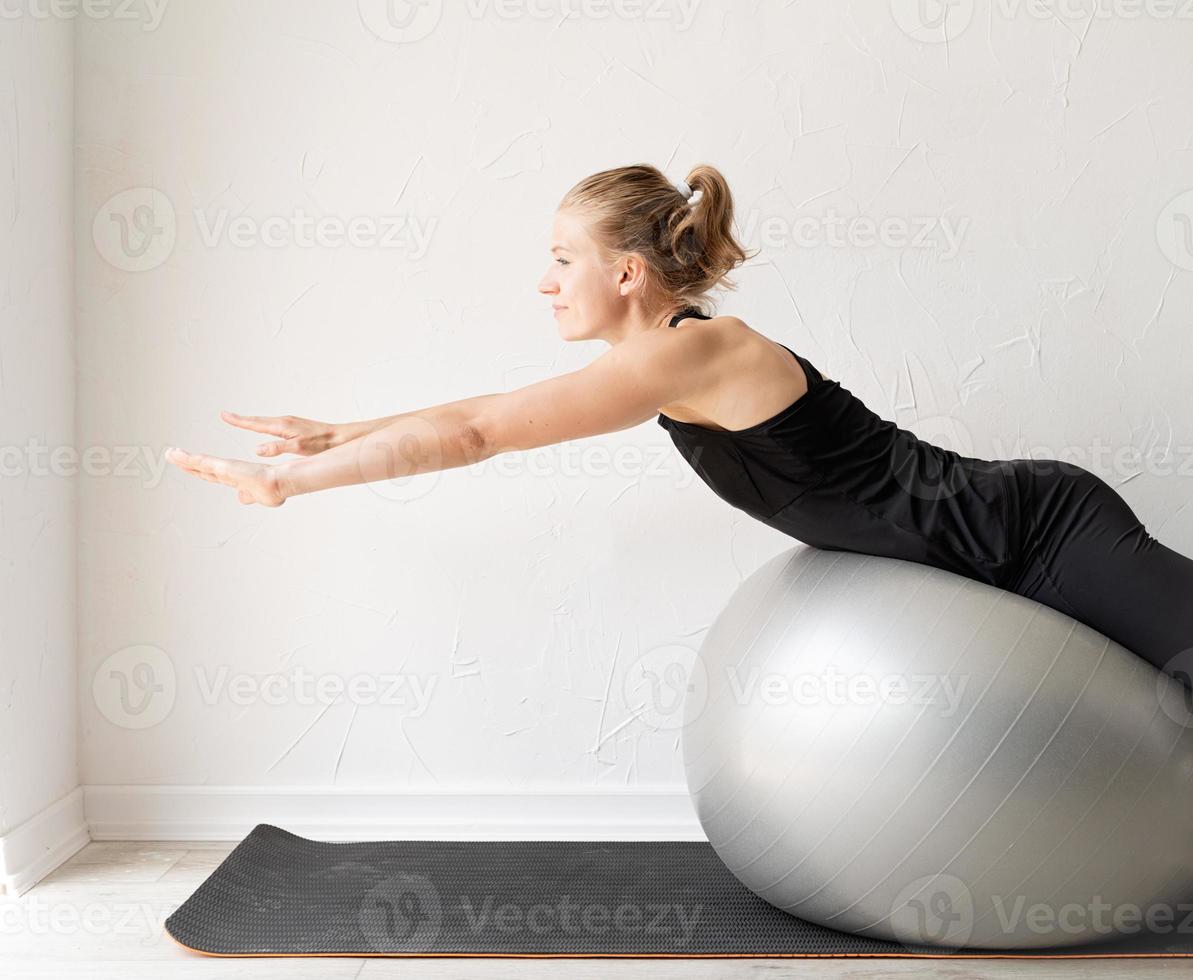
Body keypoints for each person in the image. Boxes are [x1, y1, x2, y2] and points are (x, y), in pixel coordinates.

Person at [165, 163, 1193, 688]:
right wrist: (336, 432)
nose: (544, 281)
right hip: (989, 558)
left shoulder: (693, 350)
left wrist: (297, 484)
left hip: (1035, 530)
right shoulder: (658, 363)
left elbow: (482, 433)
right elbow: (479, 412)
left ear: (625, 272)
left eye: (560, 258)